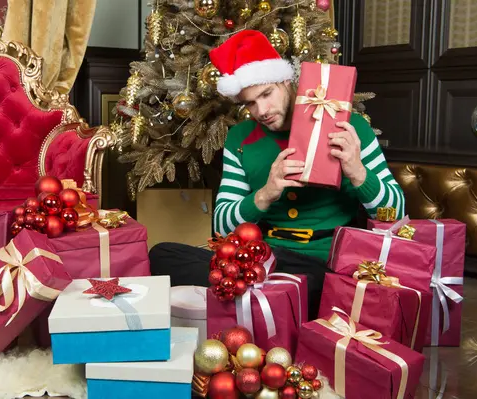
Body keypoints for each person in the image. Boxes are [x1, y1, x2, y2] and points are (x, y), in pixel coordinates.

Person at [149, 30, 405, 319]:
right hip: (259, 257)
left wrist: (358, 173)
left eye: (267, 94)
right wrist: (266, 193)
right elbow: (222, 225)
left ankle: (248, 295)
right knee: (161, 254)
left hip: (322, 261)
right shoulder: (240, 138)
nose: (262, 110)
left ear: (286, 81)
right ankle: (268, 297)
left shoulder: (350, 126)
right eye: (250, 103)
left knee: (317, 280)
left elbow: (396, 212)